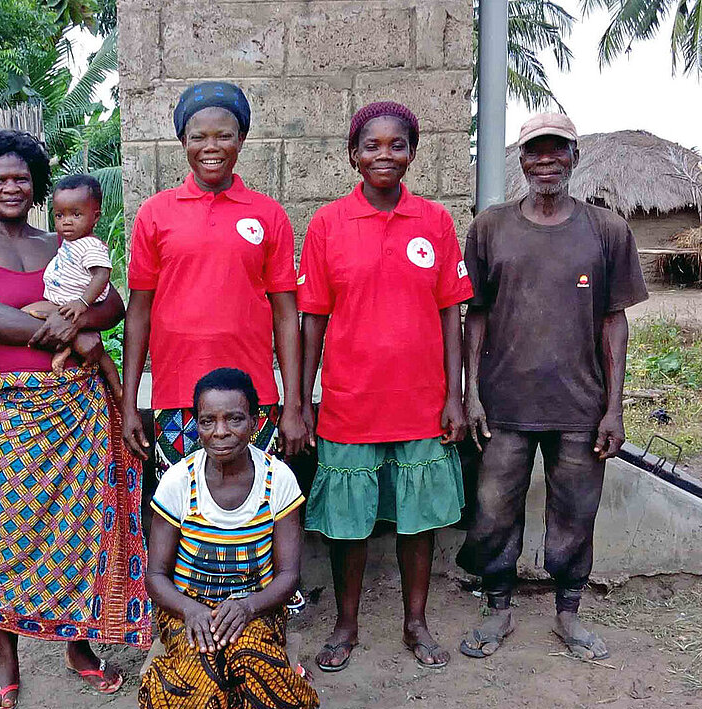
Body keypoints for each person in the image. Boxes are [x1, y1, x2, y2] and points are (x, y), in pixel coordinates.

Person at [0, 128, 150, 709]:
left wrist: (81, 316)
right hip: (19, 408)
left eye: (21, 177)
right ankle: (6, 658)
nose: (11, 187)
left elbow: (111, 300)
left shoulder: (61, 239)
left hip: (80, 403)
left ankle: (79, 646)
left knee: (80, 529)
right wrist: (64, 328)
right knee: (14, 532)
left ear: (36, 183)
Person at [456, 112, 648, 661]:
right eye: (536, 151)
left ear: (574, 156)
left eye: (557, 150)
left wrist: (613, 408)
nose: (547, 160)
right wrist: (471, 395)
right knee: (492, 510)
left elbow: (615, 320)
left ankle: (569, 614)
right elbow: (477, 315)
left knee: (575, 511)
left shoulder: (605, 230)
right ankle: (498, 610)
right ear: (521, 160)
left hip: (580, 407)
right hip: (505, 404)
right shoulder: (490, 227)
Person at [298, 102, 473, 673]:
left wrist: (455, 396)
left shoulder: (436, 223)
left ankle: (415, 623)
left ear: (412, 153)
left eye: (396, 145)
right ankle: (345, 626)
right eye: (371, 145)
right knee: (349, 524)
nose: (384, 155)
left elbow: (452, 312)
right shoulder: (327, 225)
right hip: (351, 403)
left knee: (417, 521)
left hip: (422, 403)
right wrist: (301, 402)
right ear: (353, 154)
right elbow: (313, 320)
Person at [122, 81, 306, 480]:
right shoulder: (155, 214)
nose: (211, 146)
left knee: (255, 511)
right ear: (182, 141)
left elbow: (287, 316)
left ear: (241, 139)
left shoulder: (268, 215)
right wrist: (129, 403)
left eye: (224, 135)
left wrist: (292, 405)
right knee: (184, 513)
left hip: (254, 397)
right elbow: (138, 314)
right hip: (176, 396)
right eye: (198, 137)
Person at [139, 368, 322, 709]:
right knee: (199, 680)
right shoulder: (179, 480)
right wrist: (191, 610)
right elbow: (156, 576)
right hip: (186, 610)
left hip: (257, 607)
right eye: (208, 421)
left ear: (254, 422)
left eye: (235, 419)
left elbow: (287, 576)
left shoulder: (277, 479)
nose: (220, 432)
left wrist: (248, 608)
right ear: (197, 425)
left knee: (252, 658)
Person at [20, 173, 123, 399]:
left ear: (95, 217)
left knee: (28, 313)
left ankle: (118, 390)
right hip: (65, 302)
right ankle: (64, 351)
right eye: (59, 215)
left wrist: (83, 302)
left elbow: (102, 274)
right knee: (43, 318)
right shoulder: (70, 242)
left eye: (76, 214)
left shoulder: (90, 246)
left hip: (73, 304)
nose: (67, 221)